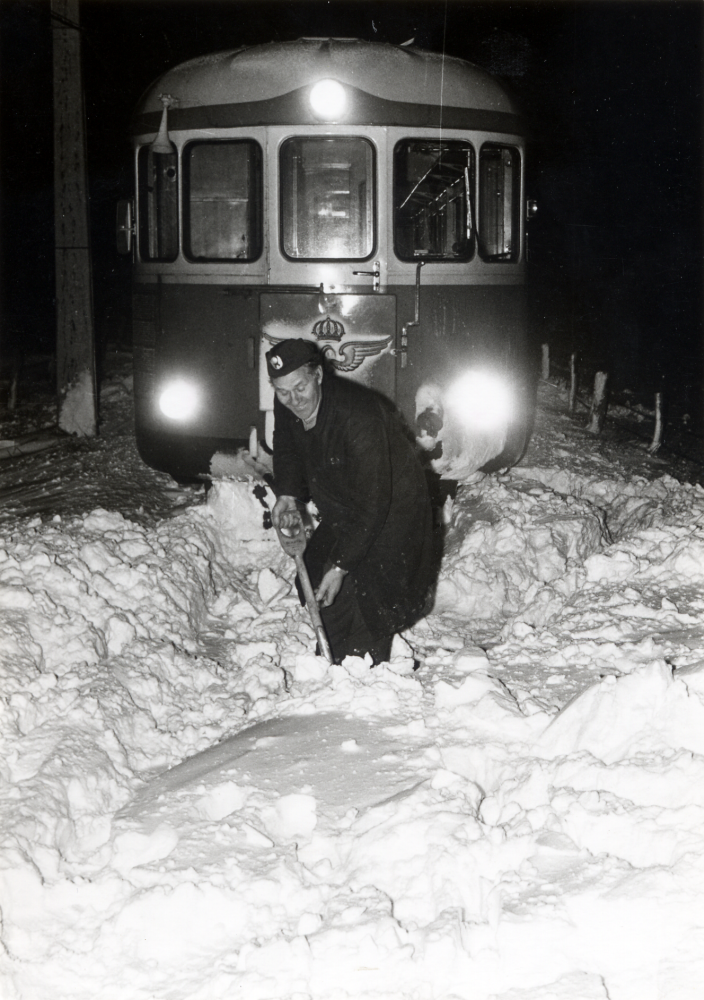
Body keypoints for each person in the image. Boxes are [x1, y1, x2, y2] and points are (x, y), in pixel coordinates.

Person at [267, 338, 434, 665]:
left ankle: (365, 668)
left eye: (300, 388)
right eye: (282, 392)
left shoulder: (358, 415)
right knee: (318, 574)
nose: (293, 400)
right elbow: (286, 443)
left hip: (393, 511)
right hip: (347, 505)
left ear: (318, 375)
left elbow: (374, 504)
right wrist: (287, 493)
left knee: (371, 596)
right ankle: (334, 660)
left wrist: (342, 566)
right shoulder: (288, 397)